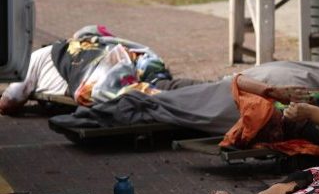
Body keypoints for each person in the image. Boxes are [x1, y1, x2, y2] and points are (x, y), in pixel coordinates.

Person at [0, 25, 193, 115]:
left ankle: (203, 96)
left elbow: (9, 102)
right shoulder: (98, 47)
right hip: (130, 60)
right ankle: (212, 88)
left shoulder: (39, 56)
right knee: (163, 85)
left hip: (98, 76)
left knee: (143, 93)